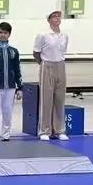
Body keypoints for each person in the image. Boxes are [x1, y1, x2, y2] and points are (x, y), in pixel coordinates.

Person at [33, 11, 69, 141]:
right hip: (47, 65)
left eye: (59, 16)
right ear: (49, 20)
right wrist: (43, 64)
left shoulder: (64, 36)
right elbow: (36, 53)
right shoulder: (43, 35)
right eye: (54, 16)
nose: (57, 18)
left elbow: (62, 52)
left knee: (60, 99)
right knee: (46, 99)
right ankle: (44, 130)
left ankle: (59, 130)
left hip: (60, 65)